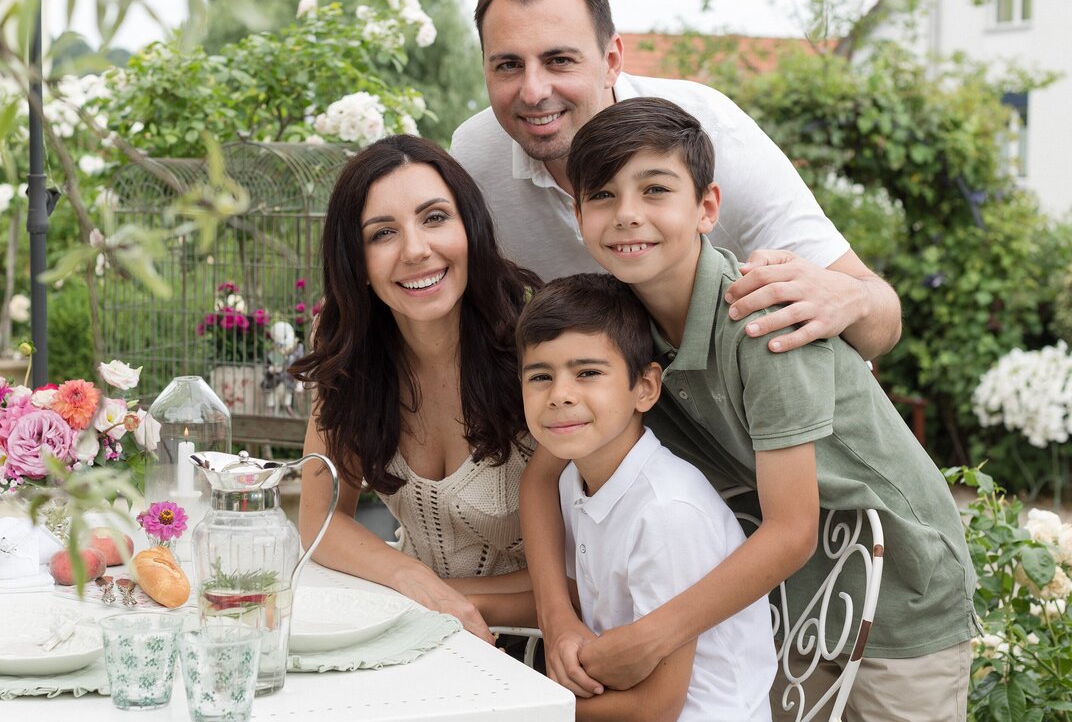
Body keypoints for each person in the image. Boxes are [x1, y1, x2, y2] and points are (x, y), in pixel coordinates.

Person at [525, 96, 976, 721]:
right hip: (787, 604)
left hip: (899, 593)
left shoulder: (762, 321)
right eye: (602, 195)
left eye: (655, 189)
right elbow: (541, 475)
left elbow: (792, 531)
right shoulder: (623, 333)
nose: (628, 215)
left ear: (707, 207)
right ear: (578, 215)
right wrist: (558, 617)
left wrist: (653, 635)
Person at [451, 0, 900, 361]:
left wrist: (851, 300)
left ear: (611, 60)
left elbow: (882, 321)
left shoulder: (712, 134)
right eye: (508, 65)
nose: (533, 91)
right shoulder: (475, 156)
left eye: (559, 61)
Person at [289, 135, 542, 644]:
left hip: (541, 648)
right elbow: (319, 519)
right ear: (355, 263)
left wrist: (437, 598)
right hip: (417, 628)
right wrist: (411, 580)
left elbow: (590, 575)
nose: (416, 250)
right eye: (382, 233)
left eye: (434, 218)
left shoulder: (540, 341)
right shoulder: (349, 351)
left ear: (469, 226)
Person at [516, 272, 777, 721]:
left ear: (646, 387)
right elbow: (582, 596)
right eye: (540, 376)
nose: (559, 395)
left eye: (588, 373)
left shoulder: (664, 513)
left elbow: (655, 708)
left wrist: (526, 710)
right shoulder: (574, 479)